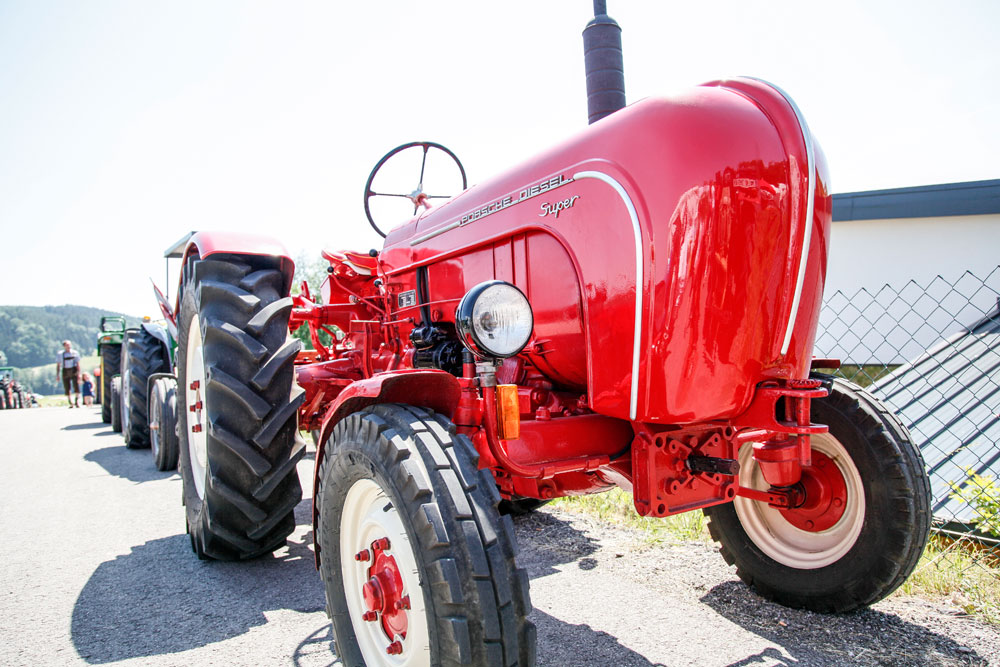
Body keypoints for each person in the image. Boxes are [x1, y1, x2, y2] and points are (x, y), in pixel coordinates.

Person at [56, 340, 82, 408]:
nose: (68, 346)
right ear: (64, 346)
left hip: (74, 370)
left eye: (69, 345)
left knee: (76, 386)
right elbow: (58, 365)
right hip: (65, 370)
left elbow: (78, 364)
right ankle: (70, 402)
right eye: (67, 345)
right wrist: (57, 375)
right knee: (67, 387)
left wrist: (79, 373)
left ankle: (77, 401)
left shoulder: (75, 353)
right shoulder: (60, 354)